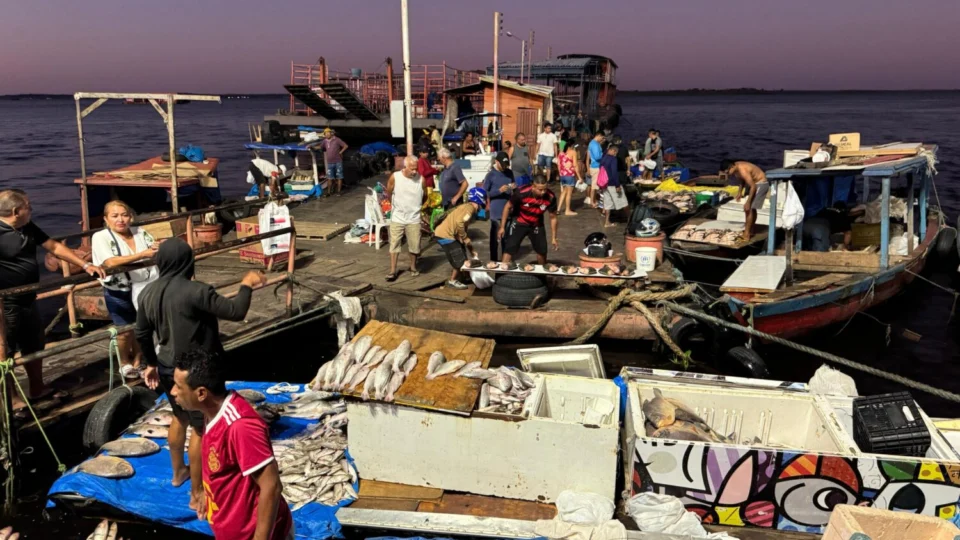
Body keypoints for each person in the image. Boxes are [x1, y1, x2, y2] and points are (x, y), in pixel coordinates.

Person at [135, 238, 267, 509]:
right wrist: (246, 283)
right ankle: (197, 493)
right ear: (188, 262)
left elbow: (141, 333)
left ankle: (177, 473)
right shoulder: (196, 290)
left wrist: (150, 363)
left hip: (167, 366)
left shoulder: (146, 293)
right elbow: (236, 311)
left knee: (179, 417)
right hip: (197, 372)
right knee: (200, 428)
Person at [0, 189, 105, 412]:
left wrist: (85, 264)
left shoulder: (27, 226)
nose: (32, 210)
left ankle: (37, 387)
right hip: (5, 303)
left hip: (28, 298)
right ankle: (12, 398)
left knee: (34, 343)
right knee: (5, 352)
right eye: (29, 207)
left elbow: (54, 246)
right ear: (16, 211)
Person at [171, 348, 293, 540]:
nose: (173, 392)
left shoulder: (240, 426)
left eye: (178, 386)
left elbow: (271, 486)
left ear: (201, 393)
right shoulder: (210, 413)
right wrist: (206, 493)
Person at [90, 200, 160, 380]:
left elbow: (154, 247)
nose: (120, 220)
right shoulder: (100, 237)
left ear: (131, 217)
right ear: (106, 219)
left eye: (124, 215)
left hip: (144, 286)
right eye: (114, 216)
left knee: (142, 326)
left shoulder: (140, 232)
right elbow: (110, 261)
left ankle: (138, 360)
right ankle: (123, 363)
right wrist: (142, 255)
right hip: (119, 290)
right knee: (124, 329)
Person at [499, 175, 559, 265]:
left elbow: (553, 217)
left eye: (545, 189)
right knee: (509, 248)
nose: (543, 192)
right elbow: (507, 207)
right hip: (520, 221)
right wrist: (502, 227)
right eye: (540, 190)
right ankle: (501, 274)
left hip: (536, 224)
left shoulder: (550, 197)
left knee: (542, 251)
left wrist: (554, 237)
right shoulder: (521, 192)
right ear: (533, 187)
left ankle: (541, 276)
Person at [434, 188, 487, 290]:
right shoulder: (469, 209)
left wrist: (470, 249)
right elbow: (459, 223)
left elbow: (461, 225)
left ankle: (466, 276)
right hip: (445, 235)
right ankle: (452, 281)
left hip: (445, 233)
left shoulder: (465, 206)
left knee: (462, 252)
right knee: (459, 258)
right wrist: (465, 238)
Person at [385, 156, 425, 281]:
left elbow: (425, 196)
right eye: (412, 169)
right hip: (398, 217)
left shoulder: (421, 179)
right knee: (394, 244)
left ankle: (413, 267)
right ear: (404, 167)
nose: (414, 172)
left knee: (414, 244)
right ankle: (392, 270)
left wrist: (417, 207)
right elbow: (389, 192)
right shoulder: (395, 177)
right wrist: (395, 205)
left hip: (414, 218)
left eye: (416, 169)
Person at [721, 159, 769, 242]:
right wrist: (740, 192)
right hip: (754, 184)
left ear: (731, 167)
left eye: (728, 173)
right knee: (751, 209)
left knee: (749, 208)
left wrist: (748, 202)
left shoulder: (742, 169)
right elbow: (742, 180)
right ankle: (751, 230)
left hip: (761, 183)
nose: (728, 175)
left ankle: (747, 234)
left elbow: (753, 186)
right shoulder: (736, 169)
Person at [481, 152, 517, 261]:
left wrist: (514, 187)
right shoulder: (491, 175)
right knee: (495, 240)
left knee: (507, 239)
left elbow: (514, 186)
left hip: (508, 211)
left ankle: (504, 262)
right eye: (503, 164)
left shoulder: (509, 173)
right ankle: (494, 261)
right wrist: (498, 191)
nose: (505, 167)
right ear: (496, 162)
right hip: (496, 212)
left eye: (506, 164)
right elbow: (484, 192)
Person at [600, 145, 629, 227]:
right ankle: (630, 220)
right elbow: (614, 173)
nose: (616, 154)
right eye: (616, 152)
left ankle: (607, 222)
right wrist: (617, 185)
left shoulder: (604, 158)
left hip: (605, 184)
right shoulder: (613, 159)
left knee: (607, 204)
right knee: (624, 202)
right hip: (612, 183)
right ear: (613, 151)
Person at [556, 138, 583, 216]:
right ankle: (567, 210)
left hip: (562, 175)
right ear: (572, 145)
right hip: (569, 175)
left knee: (564, 191)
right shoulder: (573, 152)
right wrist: (579, 177)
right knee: (569, 193)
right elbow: (575, 165)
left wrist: (560, 173)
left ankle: (558, 209)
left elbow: (558, 164)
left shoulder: (561, 153)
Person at [319, 128, 348, 196]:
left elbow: (345, 146)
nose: (327, 134)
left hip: (338, 161)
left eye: (328, 133)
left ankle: (339, 192)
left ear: (331, 133)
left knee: (339, 177)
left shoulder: (337, 139)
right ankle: (328, 192)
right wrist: (311, 146)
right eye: (326, 133)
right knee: (329, 177)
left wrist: (340, 152)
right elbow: (321, 147)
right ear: (324, 135)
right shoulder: (324, 141)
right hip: (329, 162)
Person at [586, 132, 606, 208]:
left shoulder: (592, 143)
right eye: (602, 137)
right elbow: (597, 157)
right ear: (598, 135)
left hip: (593, 166)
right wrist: (604, 155)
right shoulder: (594, 144)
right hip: (596, 166)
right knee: (594, 186)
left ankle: (594, 200)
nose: (602, 139)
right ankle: (592, 202)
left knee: (594, 185)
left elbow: (589, 156)